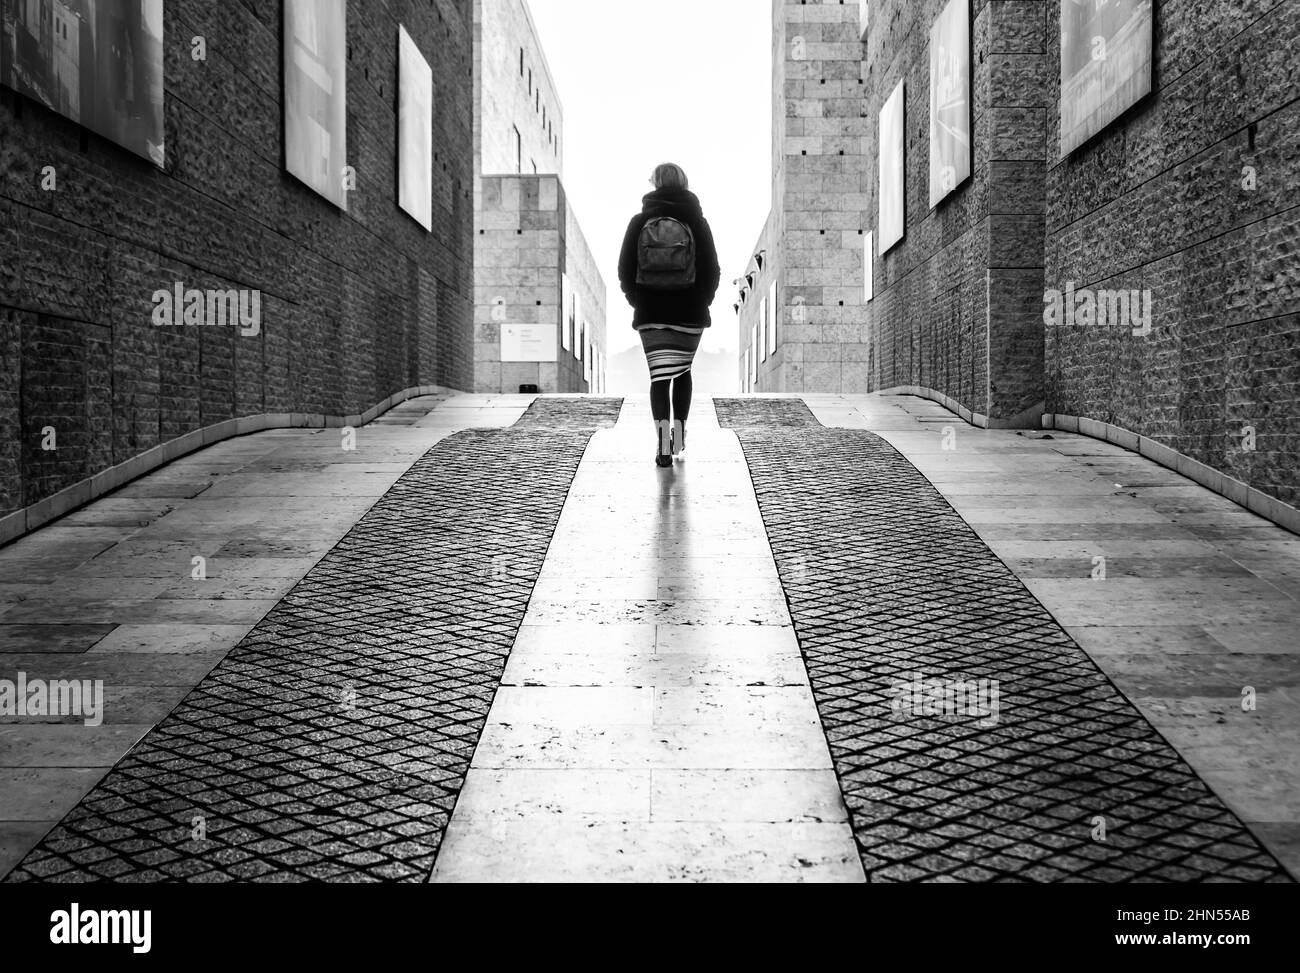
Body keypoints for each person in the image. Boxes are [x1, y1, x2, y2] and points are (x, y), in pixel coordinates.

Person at [618, 163, 721, 467]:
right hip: (689, 311)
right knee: (683, 372)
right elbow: (712, 269)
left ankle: (663, 445)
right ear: (685, 184)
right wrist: (703, 300)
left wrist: (637, 299)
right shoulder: (696, 220)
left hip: (651, 312)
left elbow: (624, 269)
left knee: (659, 377)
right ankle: (678, 434)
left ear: (654, 184)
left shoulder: (640, 221)